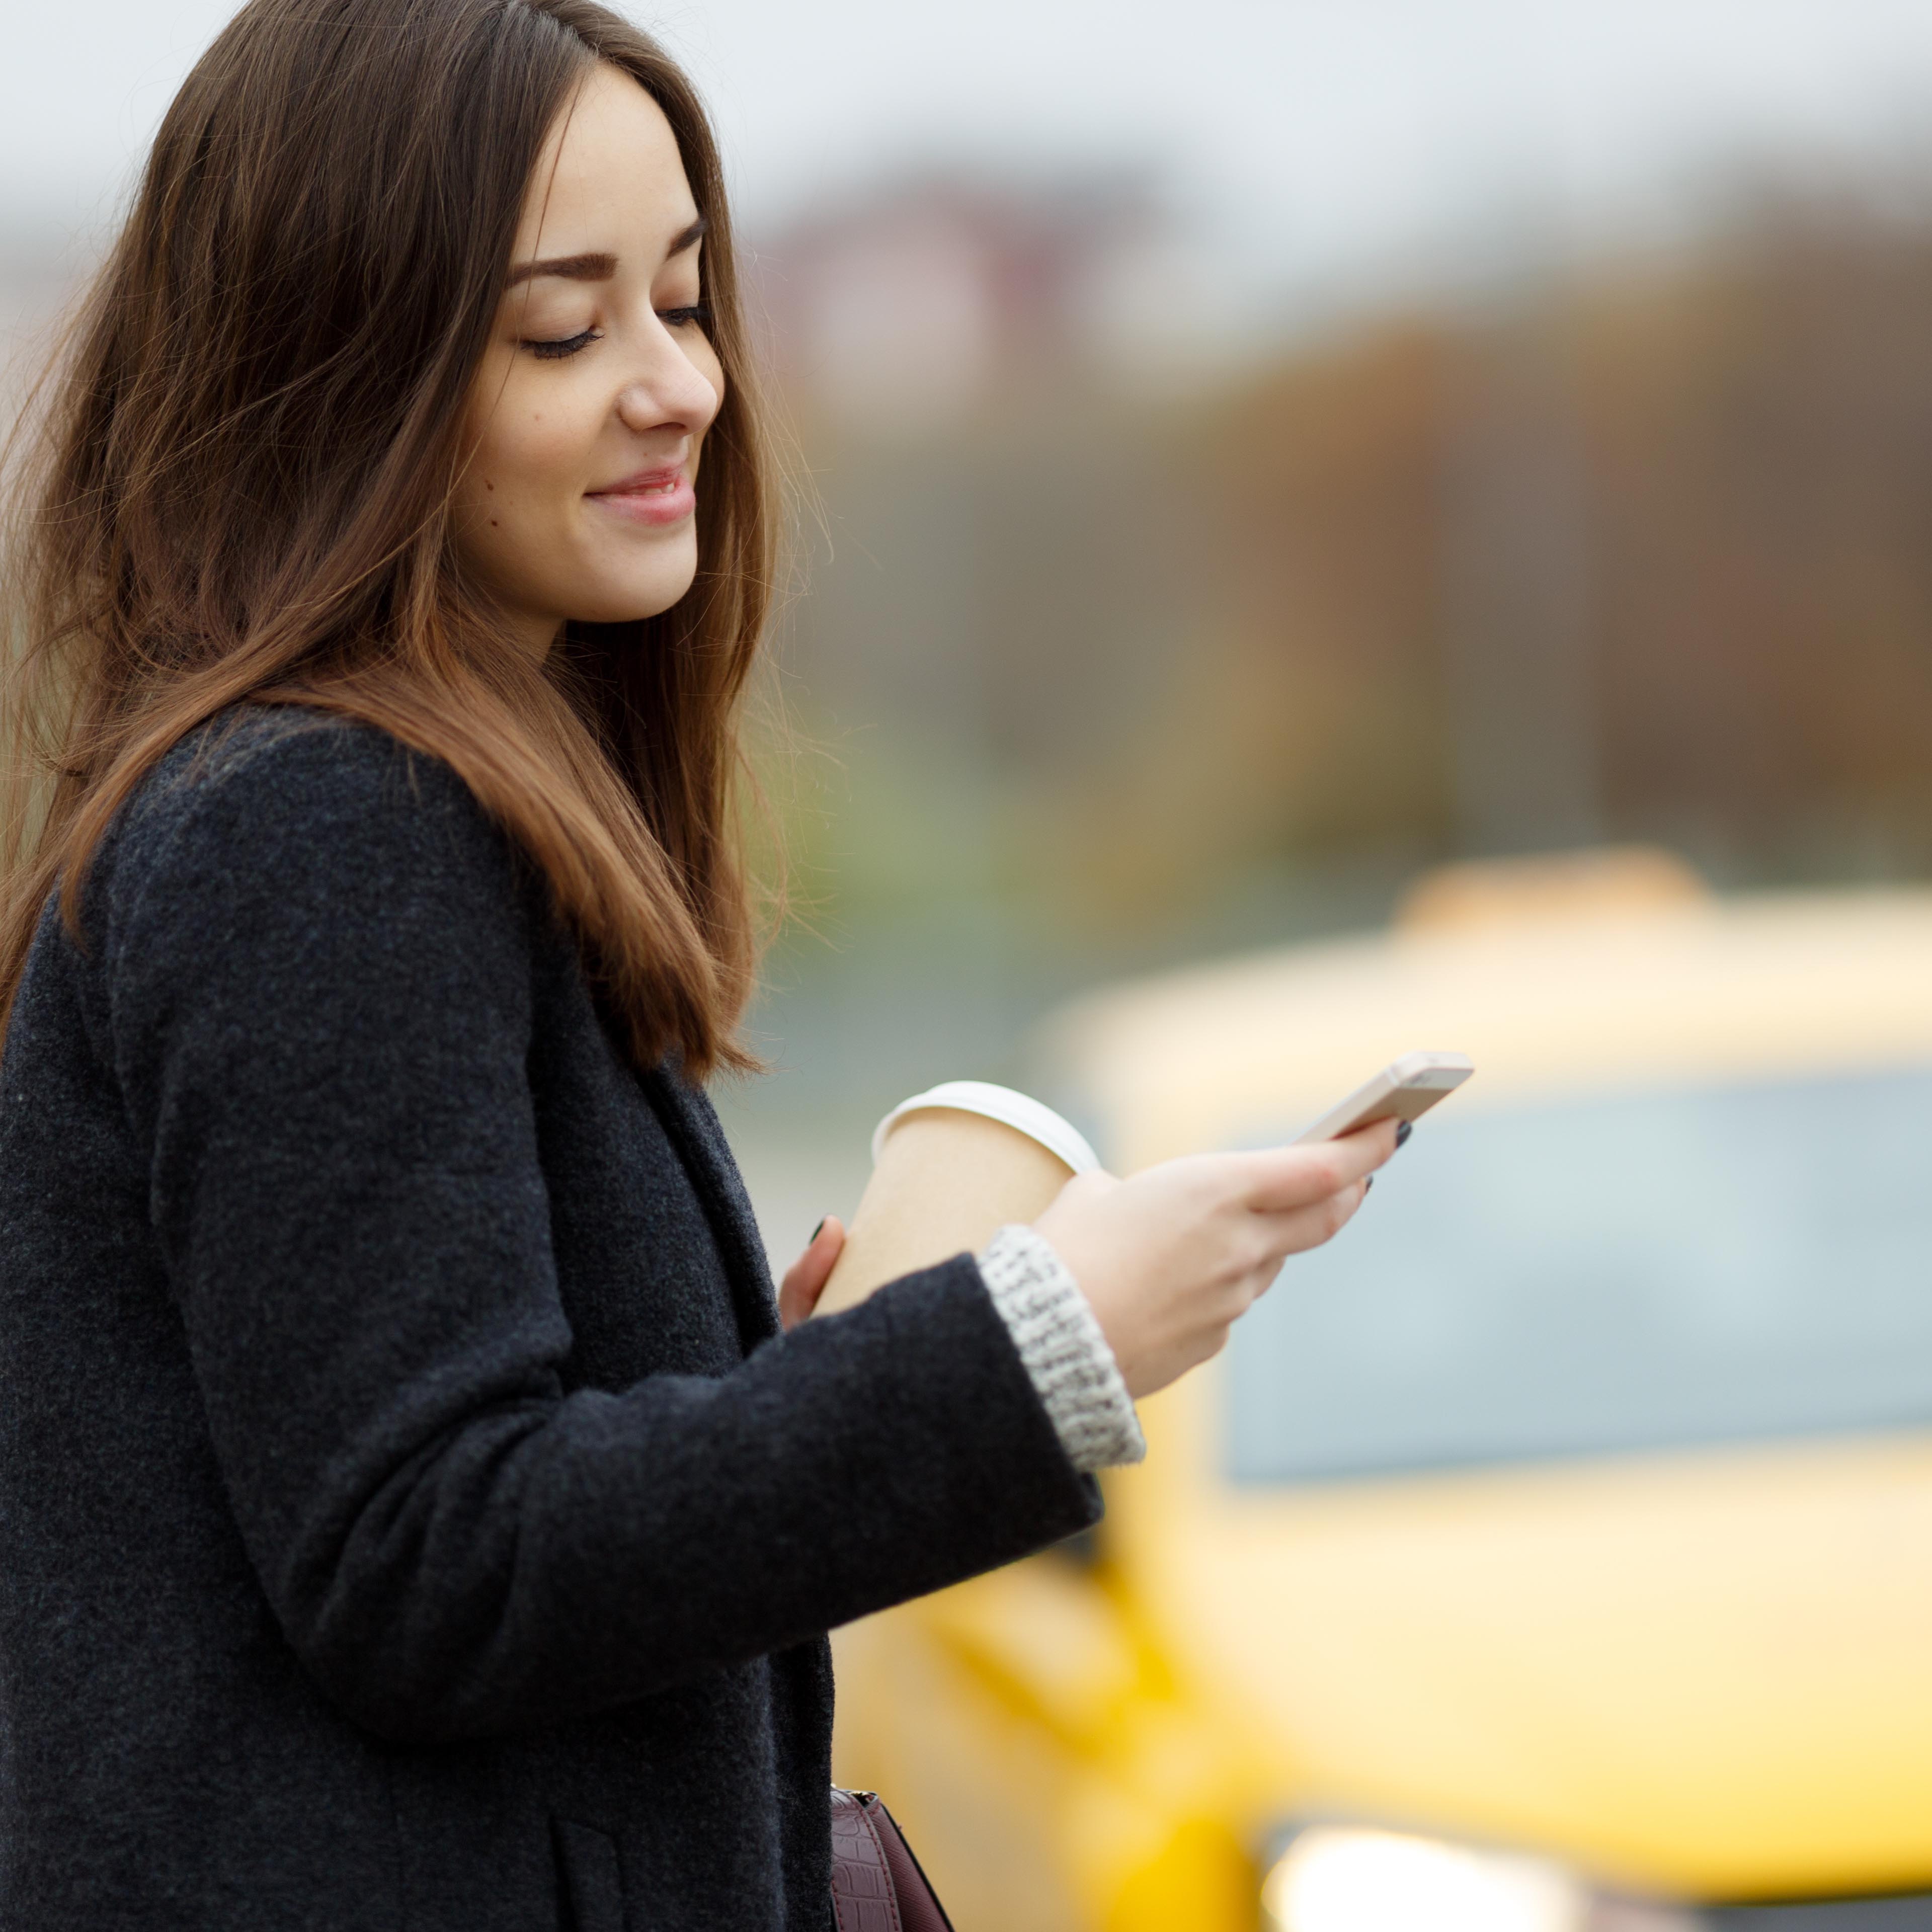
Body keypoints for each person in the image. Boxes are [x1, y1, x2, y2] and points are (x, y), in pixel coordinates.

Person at [0, 2, 1396, 1924]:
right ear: (342, 377)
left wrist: (772, 1384)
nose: (680, 387)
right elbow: (431, 1567)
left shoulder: (384, 806)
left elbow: (399, 1496)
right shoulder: (318, 826)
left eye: (685, 300)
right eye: (562, 330)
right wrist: (1036, 1347)